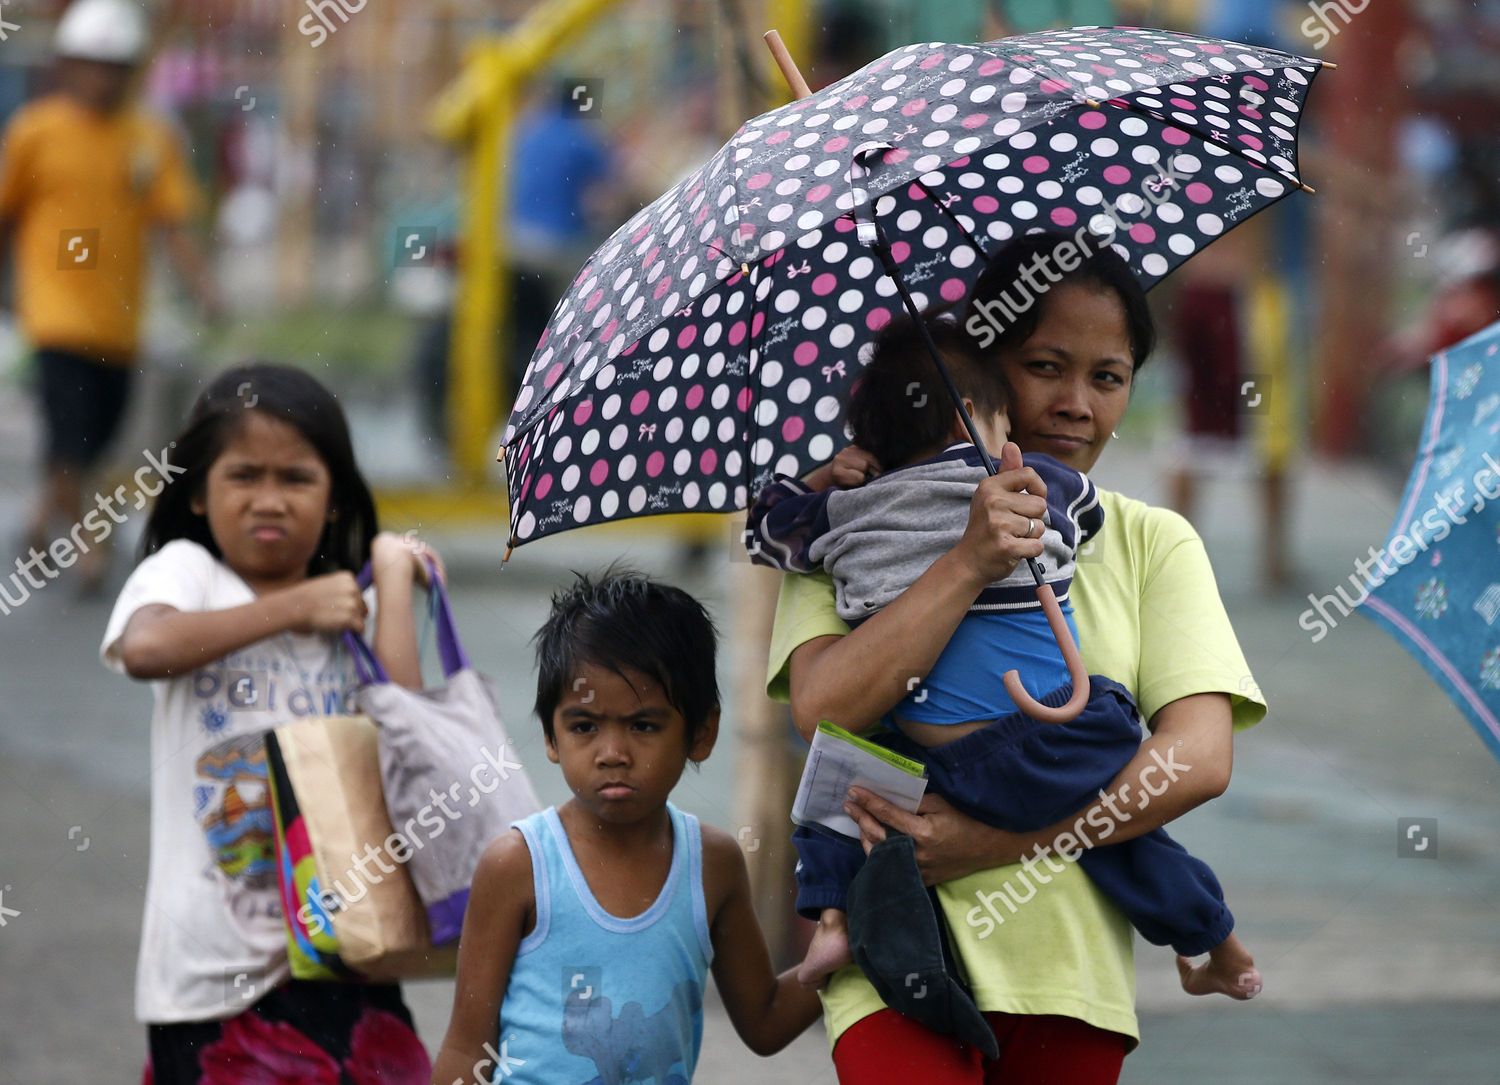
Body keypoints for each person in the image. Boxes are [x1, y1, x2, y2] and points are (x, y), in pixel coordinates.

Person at [765, 231, 1268, 1082]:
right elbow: (823, 709)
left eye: (1108, 377)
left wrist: (1000, 843)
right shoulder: (859, 522)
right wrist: (966, 561)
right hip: (893, 961)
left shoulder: (1151, 540)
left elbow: (1197, 758)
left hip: (1071, 983)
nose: (1078, 403)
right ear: (984, 371)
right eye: (1046, 366)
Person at [101, 364, 435, 1083]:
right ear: (196, 493)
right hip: (211, 972)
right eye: (244, 475)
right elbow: (144, 647)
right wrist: (294, 607)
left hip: (346, 949)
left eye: (296, 478)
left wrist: (393, 580)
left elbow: (409, 730)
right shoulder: (188, 574)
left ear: (338, 499)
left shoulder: (351, 608)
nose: (269, 499)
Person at [432, 570, 822, 1084]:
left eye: (643, 726)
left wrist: (837, 954)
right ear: (552, 736)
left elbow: (765, 1020)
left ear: (702, 733)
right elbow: (466, 1049)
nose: (612, 754)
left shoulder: (715, 864)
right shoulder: (519, 864)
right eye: (584, 727)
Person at [0, 0, 220, 591]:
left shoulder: (149, 139)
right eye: (91, 63)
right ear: (68, 65)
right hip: (53, 316)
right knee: (71, 433)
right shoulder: (34, 133)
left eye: (114, 65)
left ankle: (43, 515)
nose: (102, 76)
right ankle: (90, 549)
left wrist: (203, 286)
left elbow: (172, 223)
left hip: (119, 324)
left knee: (94, 439)